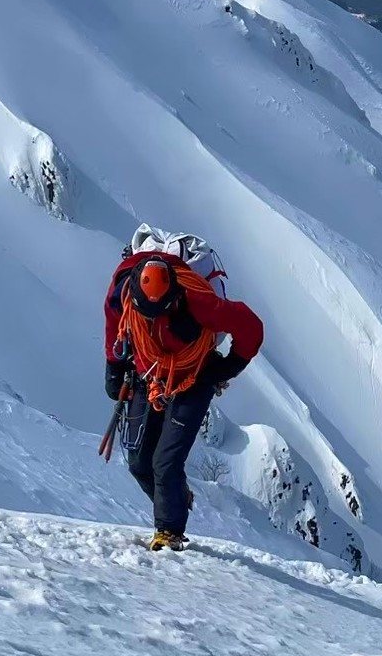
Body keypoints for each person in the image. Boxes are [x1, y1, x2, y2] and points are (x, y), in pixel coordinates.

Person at [104, 233, 263, 551]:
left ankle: (169, 532)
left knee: (166, 461)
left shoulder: (196, 301)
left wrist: (227, 367)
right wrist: (114, 367)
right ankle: (175, 496)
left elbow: (250, 326)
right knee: (138, 462)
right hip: (147, 375)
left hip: (195, 376)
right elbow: (114, 325)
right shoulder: (123, 294)